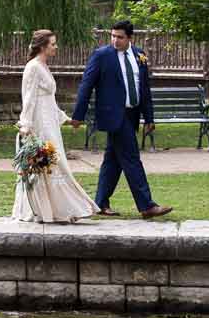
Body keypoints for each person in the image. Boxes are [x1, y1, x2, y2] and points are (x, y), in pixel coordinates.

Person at [70, 20, 172, 220]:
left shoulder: (139, 55)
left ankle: (100, 203)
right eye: (113, 36)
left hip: (132, 114)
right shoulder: (101, 56)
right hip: (113, 115)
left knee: (113, 160)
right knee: (131, 158)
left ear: (130, 38)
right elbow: (86, 85)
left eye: (120, 37)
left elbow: (144, 89)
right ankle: (147, 205)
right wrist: (78, 116)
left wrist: (149, 118)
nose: (115, 40)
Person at [14, 29, 99, 224]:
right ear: (43, 46)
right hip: (39, 125)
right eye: (53, 44)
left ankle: (59, 209)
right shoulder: (33, 67)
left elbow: (49, 101)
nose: (56, 47)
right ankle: (44, 210)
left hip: (50, 123)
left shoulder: (43, 66)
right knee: (48, 164)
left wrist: (65, 119)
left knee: (54, 164)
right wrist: (26, 125)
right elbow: (28, 99)